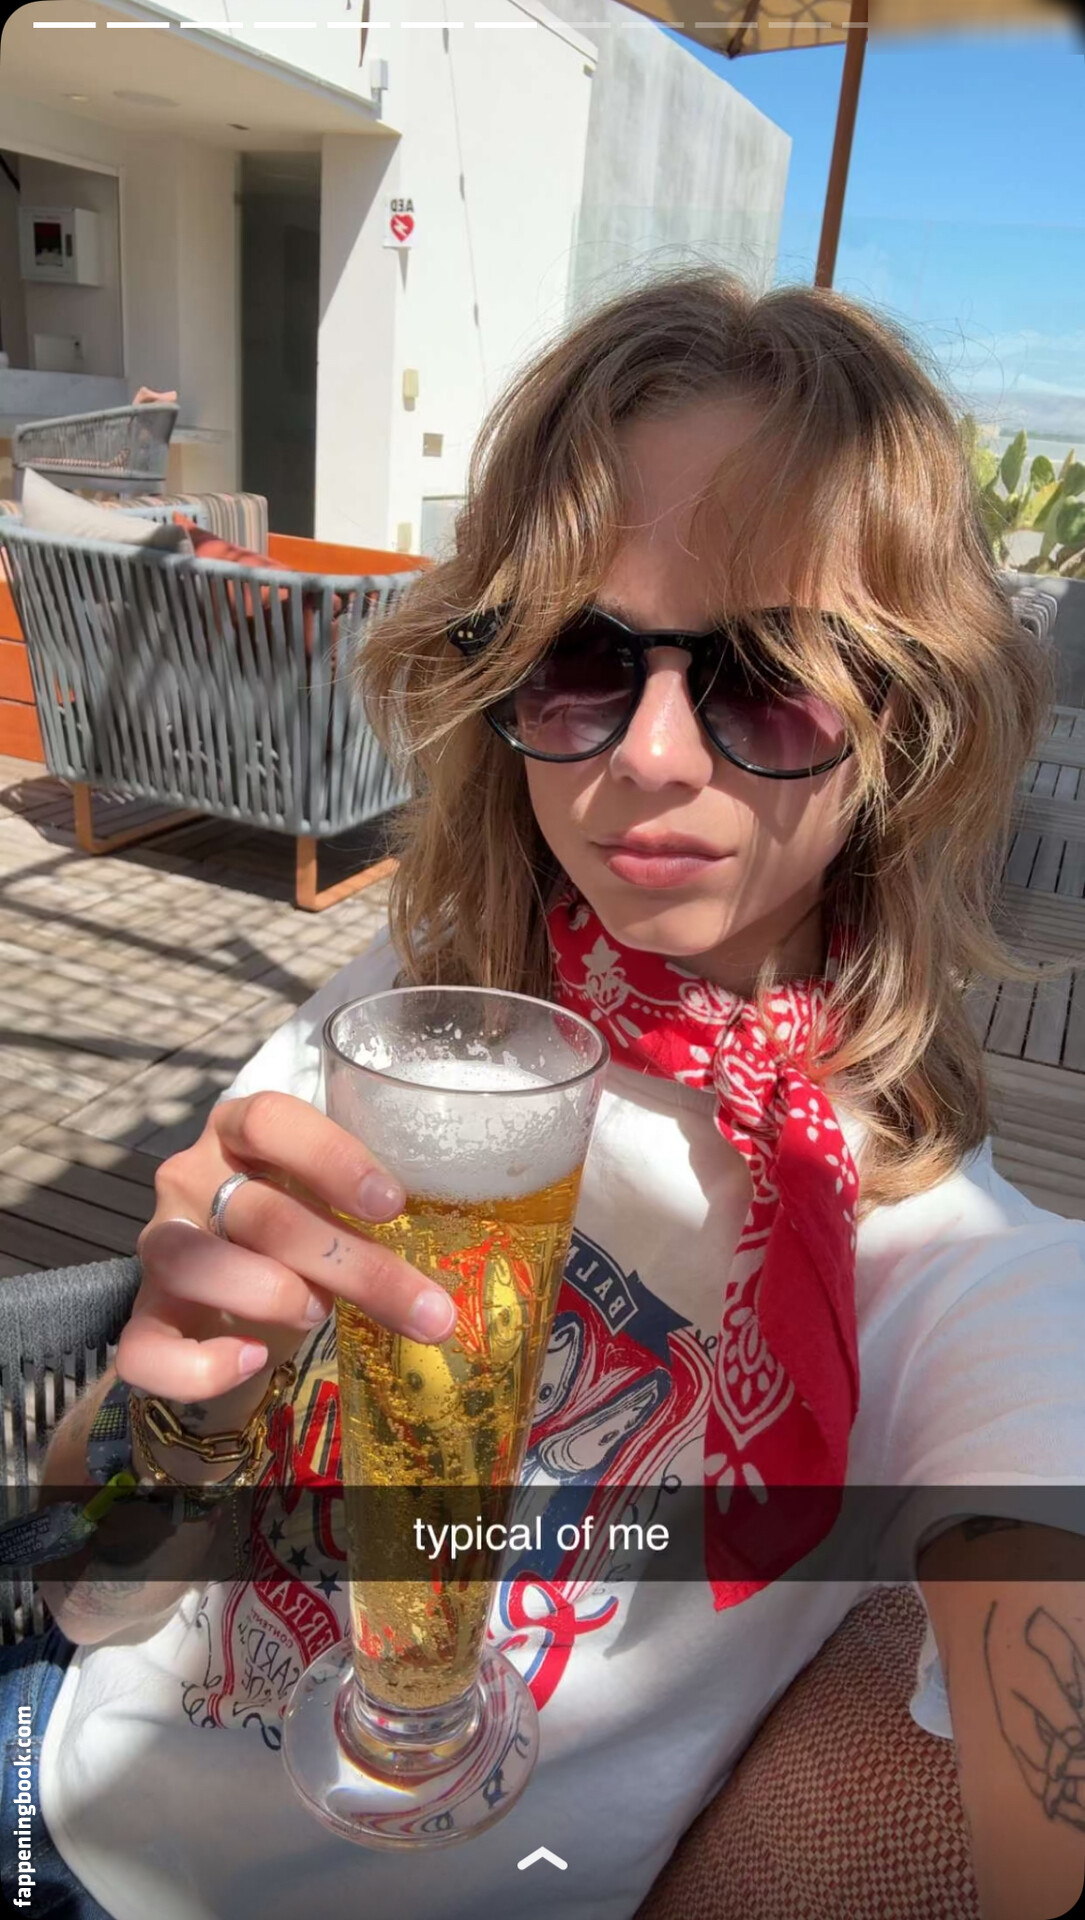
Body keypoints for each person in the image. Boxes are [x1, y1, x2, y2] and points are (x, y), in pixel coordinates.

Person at [3, 268, 1084, 1920]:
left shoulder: (961, 1279)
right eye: (579, 659)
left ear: (908, 722)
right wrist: (181, 1413)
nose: (648, 755)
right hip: (46, 1782)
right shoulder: (402, 1018)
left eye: (766, 671)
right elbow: (90, 1598)